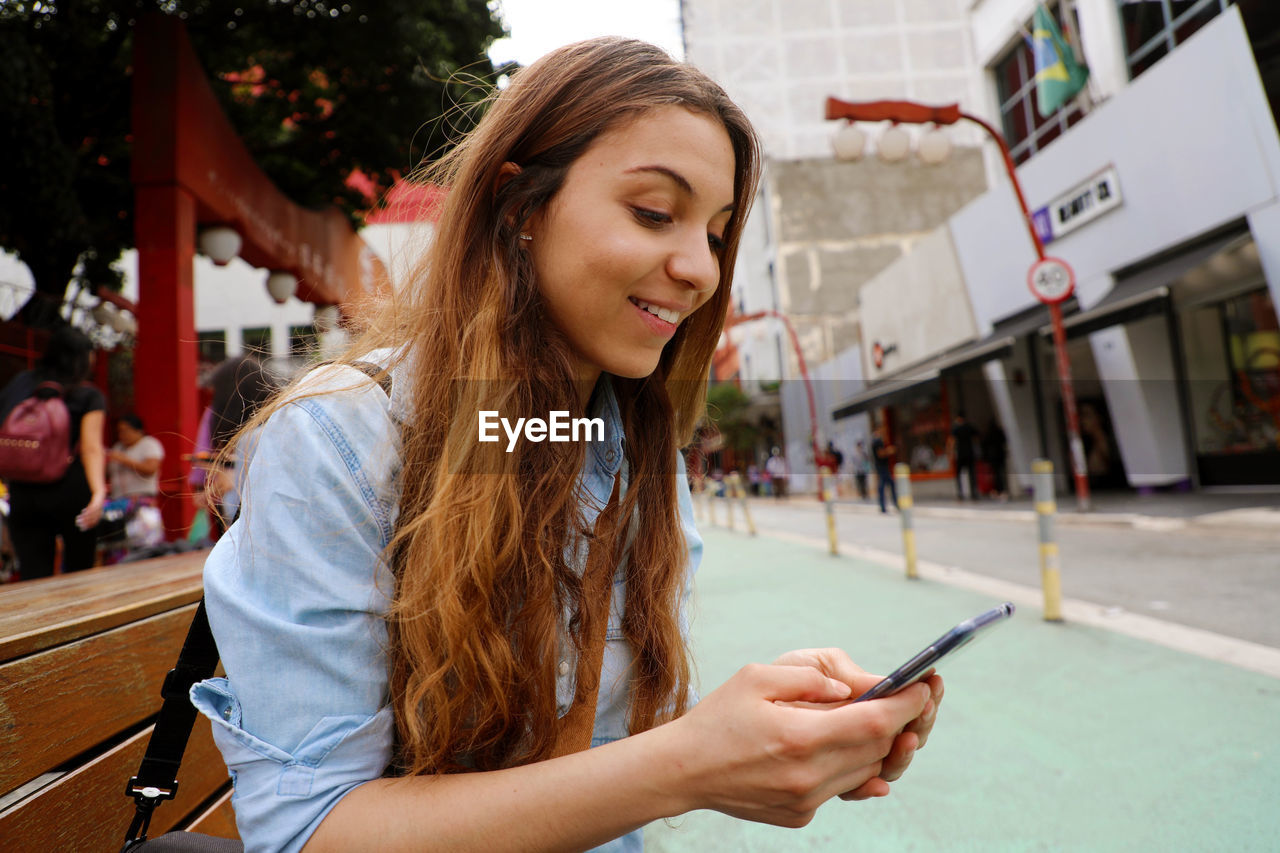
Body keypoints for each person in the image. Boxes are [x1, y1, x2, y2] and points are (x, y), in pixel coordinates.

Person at [192, 39, 942, 853]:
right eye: (655, 212)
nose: (699, 268)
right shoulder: (340, 441)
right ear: (519, 211)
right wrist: (687, 764)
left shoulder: (631, 446)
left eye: (719, 234)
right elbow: (309, 830)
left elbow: (596, 756)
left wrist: (772, 732)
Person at [0, 326, 106, 577]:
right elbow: (91, 449)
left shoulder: (21, 385)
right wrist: (99, 493)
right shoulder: (87, 394)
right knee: (80, 573)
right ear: (82, 357)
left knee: (33, 574)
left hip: (24, 491)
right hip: (71, 490)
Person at [107, 414, 164, 499]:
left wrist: (124, 460)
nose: (122, 435)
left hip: (142, 497)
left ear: (138, 430)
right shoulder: (118, 447)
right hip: (118, 498)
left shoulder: (149, 444)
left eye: (126, 431)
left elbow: (150, 469)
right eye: (119, 431)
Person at [947, 412, 979, 502]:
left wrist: (950, 452)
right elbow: (976, 438)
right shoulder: (969, 427)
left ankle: (960, 493)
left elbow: (951, 441)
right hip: (970, 453)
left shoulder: (956, 428)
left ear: (958, 418)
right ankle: (974, 493)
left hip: (961, 454)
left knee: (959, 475)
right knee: (972, 474)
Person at [872, 425, 898, 513]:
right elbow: (880, 454)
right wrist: (889, 451)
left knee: (885, 485)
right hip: (881, 466)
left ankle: (885, 505)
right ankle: (891, 504)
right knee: (886, 484)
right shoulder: (877, 441)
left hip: (881, 466)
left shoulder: (877, 441)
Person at [981, 419, 1009, 500]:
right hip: (1000, 455)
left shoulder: (988, 434)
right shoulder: (999, 432)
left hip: (993, 456)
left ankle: (997, 490)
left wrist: (985, 457)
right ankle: (1003, 490)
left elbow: (984, 445)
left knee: (995, 474)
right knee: (1001, 473)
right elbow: (1004, 441)